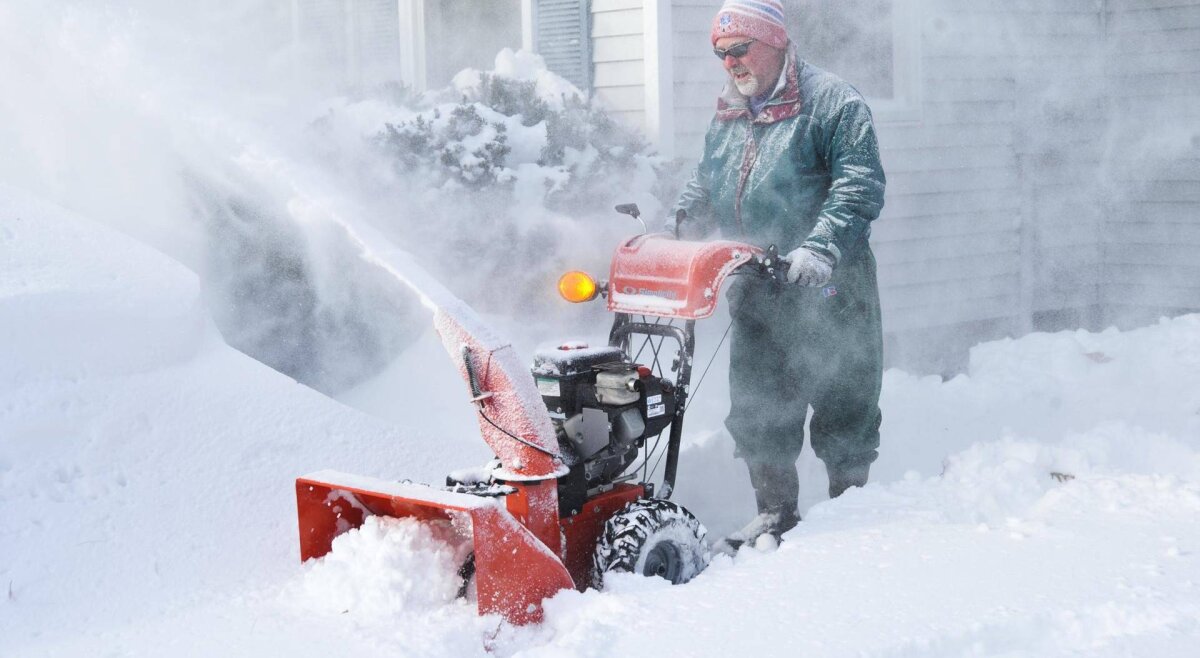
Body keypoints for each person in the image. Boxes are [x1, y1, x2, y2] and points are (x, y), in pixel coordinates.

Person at [670, 0, 885, 551]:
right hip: (758, 288)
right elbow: (707, 181)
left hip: (829, 287)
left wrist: (820, 247)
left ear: (774, 43)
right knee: (759, 405)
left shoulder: (833, 103)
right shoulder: (730, 112)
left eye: (739, 49)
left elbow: (859, 185)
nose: (730, 62)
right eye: (720, 53)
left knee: (844, 405)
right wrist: (679, 225)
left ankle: (849, 514)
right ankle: (775, 513)